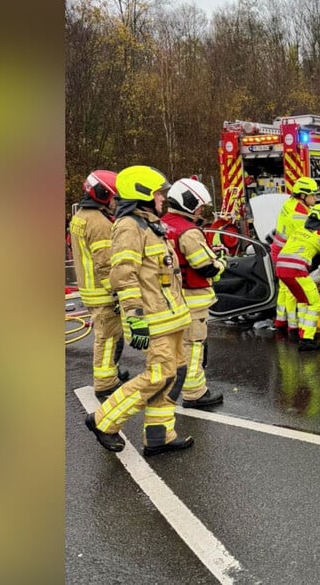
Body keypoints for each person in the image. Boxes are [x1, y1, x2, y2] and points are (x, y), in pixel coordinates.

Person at [84, 165, 194, 457]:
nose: (162, 198)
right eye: (158, 194)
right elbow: (124, 275)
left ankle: (159, 435)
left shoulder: (151, 225)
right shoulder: (129, 227)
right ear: (142, 194)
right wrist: (135, 318)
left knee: (174, 374)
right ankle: (103, 420)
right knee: (158, 376)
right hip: (155, 321)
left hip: (172, 318)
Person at [161, 178, 226, 409]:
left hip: (170, 297)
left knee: (175, 346)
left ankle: (174, 386)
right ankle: (195, 393)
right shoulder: (188, 231)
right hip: (192, 299)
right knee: (193, 345)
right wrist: (220, 262)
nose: (200, 211)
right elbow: (205, 267)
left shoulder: (162, 224)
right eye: (199, 207)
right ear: (187, 203)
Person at [68, 170, 129, 400]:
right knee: (108, 338)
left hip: (89, 289)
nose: (117, 202)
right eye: (115, 197)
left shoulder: (80, 217)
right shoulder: (99, 224)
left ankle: (111, 371)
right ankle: (105, 382)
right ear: (103, 195)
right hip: (102, 292)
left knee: (111, 335)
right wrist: (117, 292)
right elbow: (105, 264)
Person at [275, 204, 320, 351]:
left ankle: (301, 330)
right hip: (297, 270)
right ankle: (307, 339)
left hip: (281, 269)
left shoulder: (299, 230)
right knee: (315, 303)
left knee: (302, 299)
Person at [270, 177, 319, 338]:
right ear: (303, 195)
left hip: (279, 250)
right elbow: (311, 235)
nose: (316, 198)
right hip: (288, 254)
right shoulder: (300, 215)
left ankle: (280, 321)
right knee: (291, 290)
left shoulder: (290, 204)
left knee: (284, 288)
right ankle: (293, 326)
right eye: (313, 195)